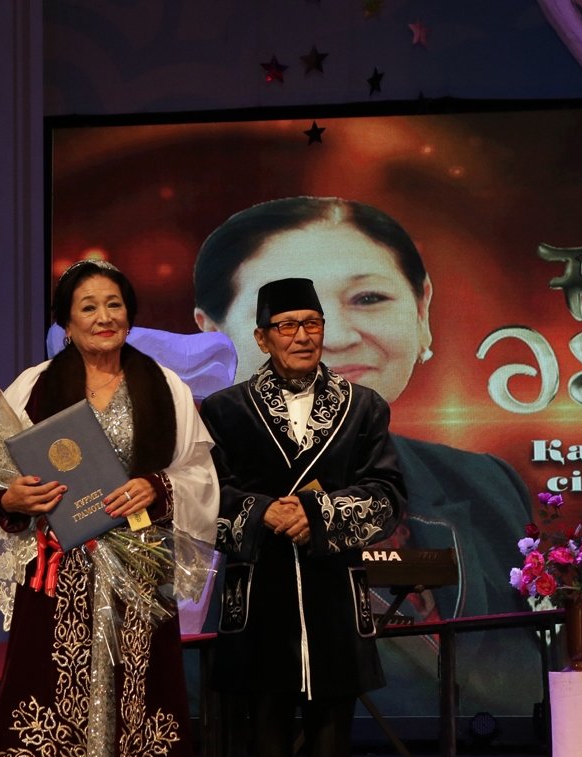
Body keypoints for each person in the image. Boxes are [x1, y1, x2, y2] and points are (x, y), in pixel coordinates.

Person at [193, 196, 536, 718]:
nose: (329, 337)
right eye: (287, 317)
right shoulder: (183, 492)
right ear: (213, 335)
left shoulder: (486, 483)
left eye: (369, 298)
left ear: (422, 310)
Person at [0, 259, 219, 757]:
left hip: (138, 575)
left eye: (114, 304)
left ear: (130, 313)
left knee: (135, 712)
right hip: (57, 578)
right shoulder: (32, 388)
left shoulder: (165, 387)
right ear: (65, 321)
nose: (104, 317)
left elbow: (200, 474)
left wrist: (157, 486)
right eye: (88, 306)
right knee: (51, 711)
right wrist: (12, 498)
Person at [199, 277, 406, 757]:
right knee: (266, 731)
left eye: (310, 324)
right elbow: (203, 499)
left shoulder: (363, 407)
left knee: (333, 733)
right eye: (286, 326)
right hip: (260, 590)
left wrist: (315, 516)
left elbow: (388, 496)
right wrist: (263, 511)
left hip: (331, 590)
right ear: (262, 338)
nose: (302, 336)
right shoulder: (226, 410)